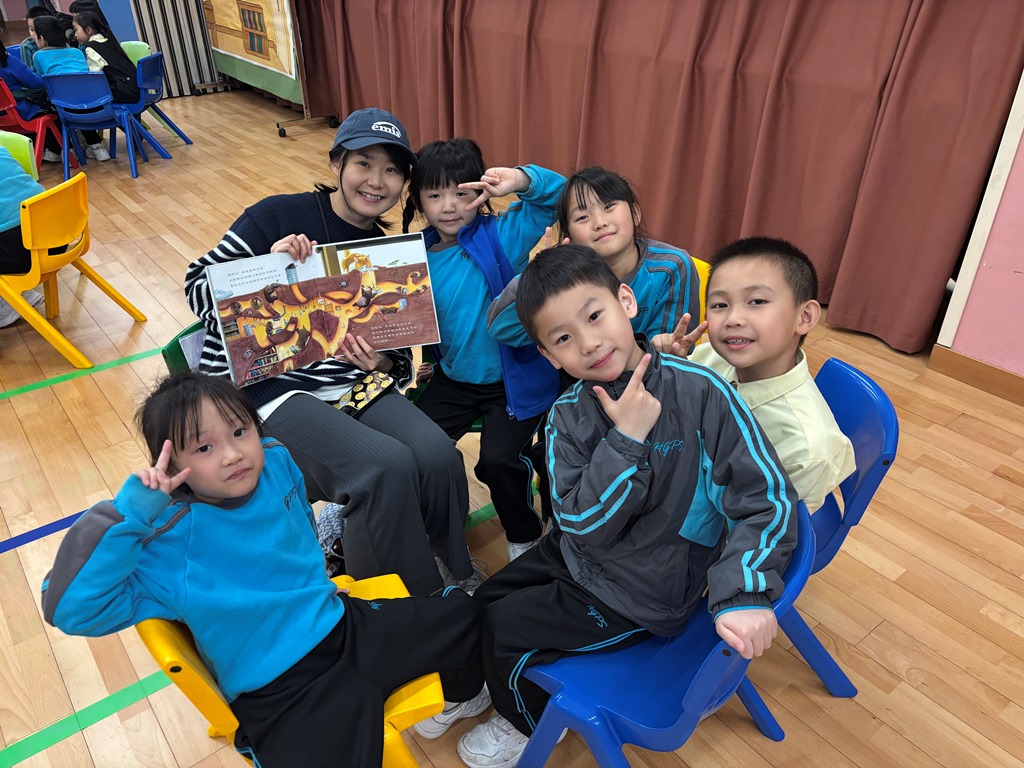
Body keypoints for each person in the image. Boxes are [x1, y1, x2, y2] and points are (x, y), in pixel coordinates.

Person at [417, 245, 799, 768]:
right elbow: (578, 524)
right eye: (563, 338)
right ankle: (472, 685)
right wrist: (628, 438)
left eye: (595, 316)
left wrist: (746, 591)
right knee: (481, 600)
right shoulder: (566, 414)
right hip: (576, 555)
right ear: (549, 356)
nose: (589, 343)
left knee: (506, 629)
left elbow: (767, 497)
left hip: (642, 591)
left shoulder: (702, 391)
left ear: (626, 301)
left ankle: (523, 719)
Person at [40, 371, 485, 768]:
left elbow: (299, 529)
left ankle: (456, 698)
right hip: (282, 693)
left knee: (469, 615)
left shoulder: (274, 461)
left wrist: (316, 583)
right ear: (173, 466)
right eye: (204, 447)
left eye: (240, 431)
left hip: (345, 626)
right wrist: (129, 514)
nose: (233, 454)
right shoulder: (168, 540)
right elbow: (70, 609)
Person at [184, 107, 470, 597]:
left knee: (437, 455)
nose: (376, 181)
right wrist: (266, 269)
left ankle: (453, 570)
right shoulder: (276, 216)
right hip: (266, 389)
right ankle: (394, 606)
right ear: (336, 163)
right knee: (382, 467)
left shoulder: (385, 251)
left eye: (392, 170)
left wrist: (382, 362)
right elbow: (196, 288)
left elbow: (400, 355)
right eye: (363, 163)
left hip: (349, 384)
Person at [402, 138, 564, 564]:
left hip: (513, 381)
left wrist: (521, 180)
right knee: (413, 450)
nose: (449, 206)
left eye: (462, 193)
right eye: (434, 195)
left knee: (496, 461)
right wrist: (428, 364)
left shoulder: (502, 235)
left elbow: (561, 198)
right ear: (417, 200)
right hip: (453, 380)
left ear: (481, 191)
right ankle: (437, 536)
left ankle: (524, 537)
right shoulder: (411, 259)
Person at [689, 236, 855, 512]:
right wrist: (665, 365)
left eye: (756, 301)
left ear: (804, 317)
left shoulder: (804, 450)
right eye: (719, 305)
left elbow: (767, 527)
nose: (733, 319)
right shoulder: (710, 357)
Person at [31, 15, 108, 161]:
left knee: (52, 110)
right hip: (93, 103)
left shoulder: (38, 56)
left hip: (63, 107)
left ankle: (68, 151)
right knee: (78, 103)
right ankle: (98, 147)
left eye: (35, 35)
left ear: (43, 39)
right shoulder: (76, 51)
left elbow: (42, 81)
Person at [72, 11, 139, 104]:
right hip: (136, 89)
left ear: (88, 30)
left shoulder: (91, 48)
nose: (75, 35)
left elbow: (94, 77)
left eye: (76, 30)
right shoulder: (108, 41)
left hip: (126, 94)